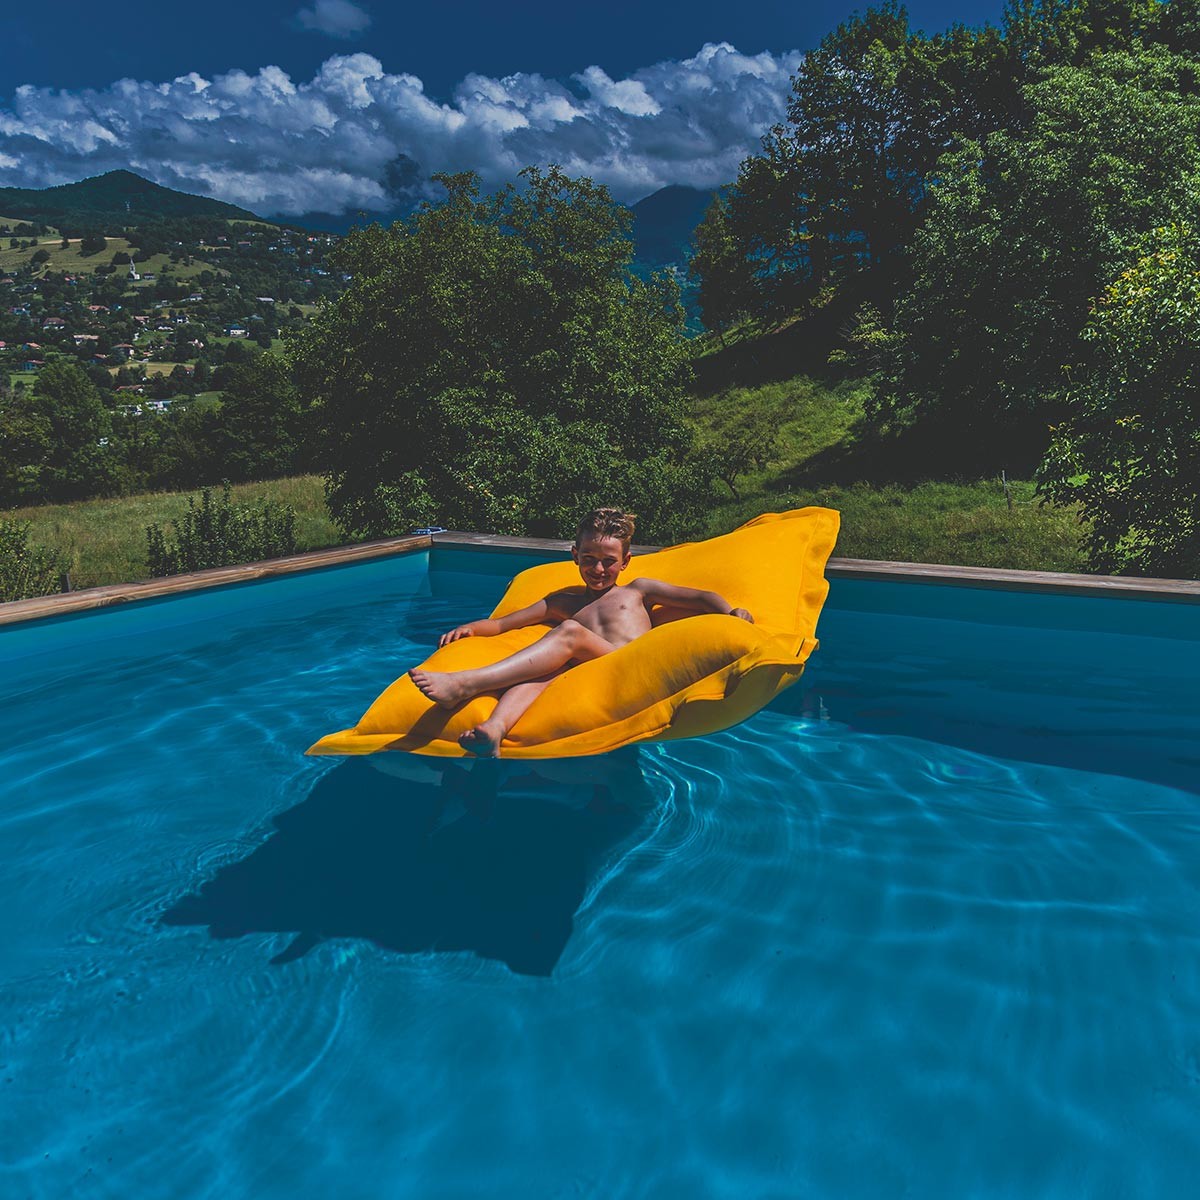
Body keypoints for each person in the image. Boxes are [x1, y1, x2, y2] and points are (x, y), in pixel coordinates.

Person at [409, 507, 753, 757]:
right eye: (589, 558)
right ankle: (495, 730)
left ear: (626, 561)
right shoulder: (563, 602)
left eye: (608, 561)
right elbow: (503, 624)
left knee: (569, 634)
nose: (598, 569)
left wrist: (730, 612)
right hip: (592, 674)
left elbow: (700, 598)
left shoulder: (637, 591)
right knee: (543, 670)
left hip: (632, 666)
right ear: (575, 555)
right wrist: (470, 627)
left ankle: (465, 684)